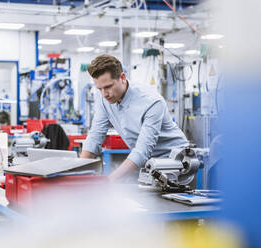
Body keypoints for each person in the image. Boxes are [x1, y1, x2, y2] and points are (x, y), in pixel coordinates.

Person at [80, 54, 188, 182]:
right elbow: (94, 137)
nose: (104, 94)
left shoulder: (151, 102)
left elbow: (141, 152)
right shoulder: (103, 99)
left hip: (176, 162)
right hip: (148, 164)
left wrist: (108, 181)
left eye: (108, 87)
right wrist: (77, 173)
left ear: (123, 77)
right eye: (99, 89)